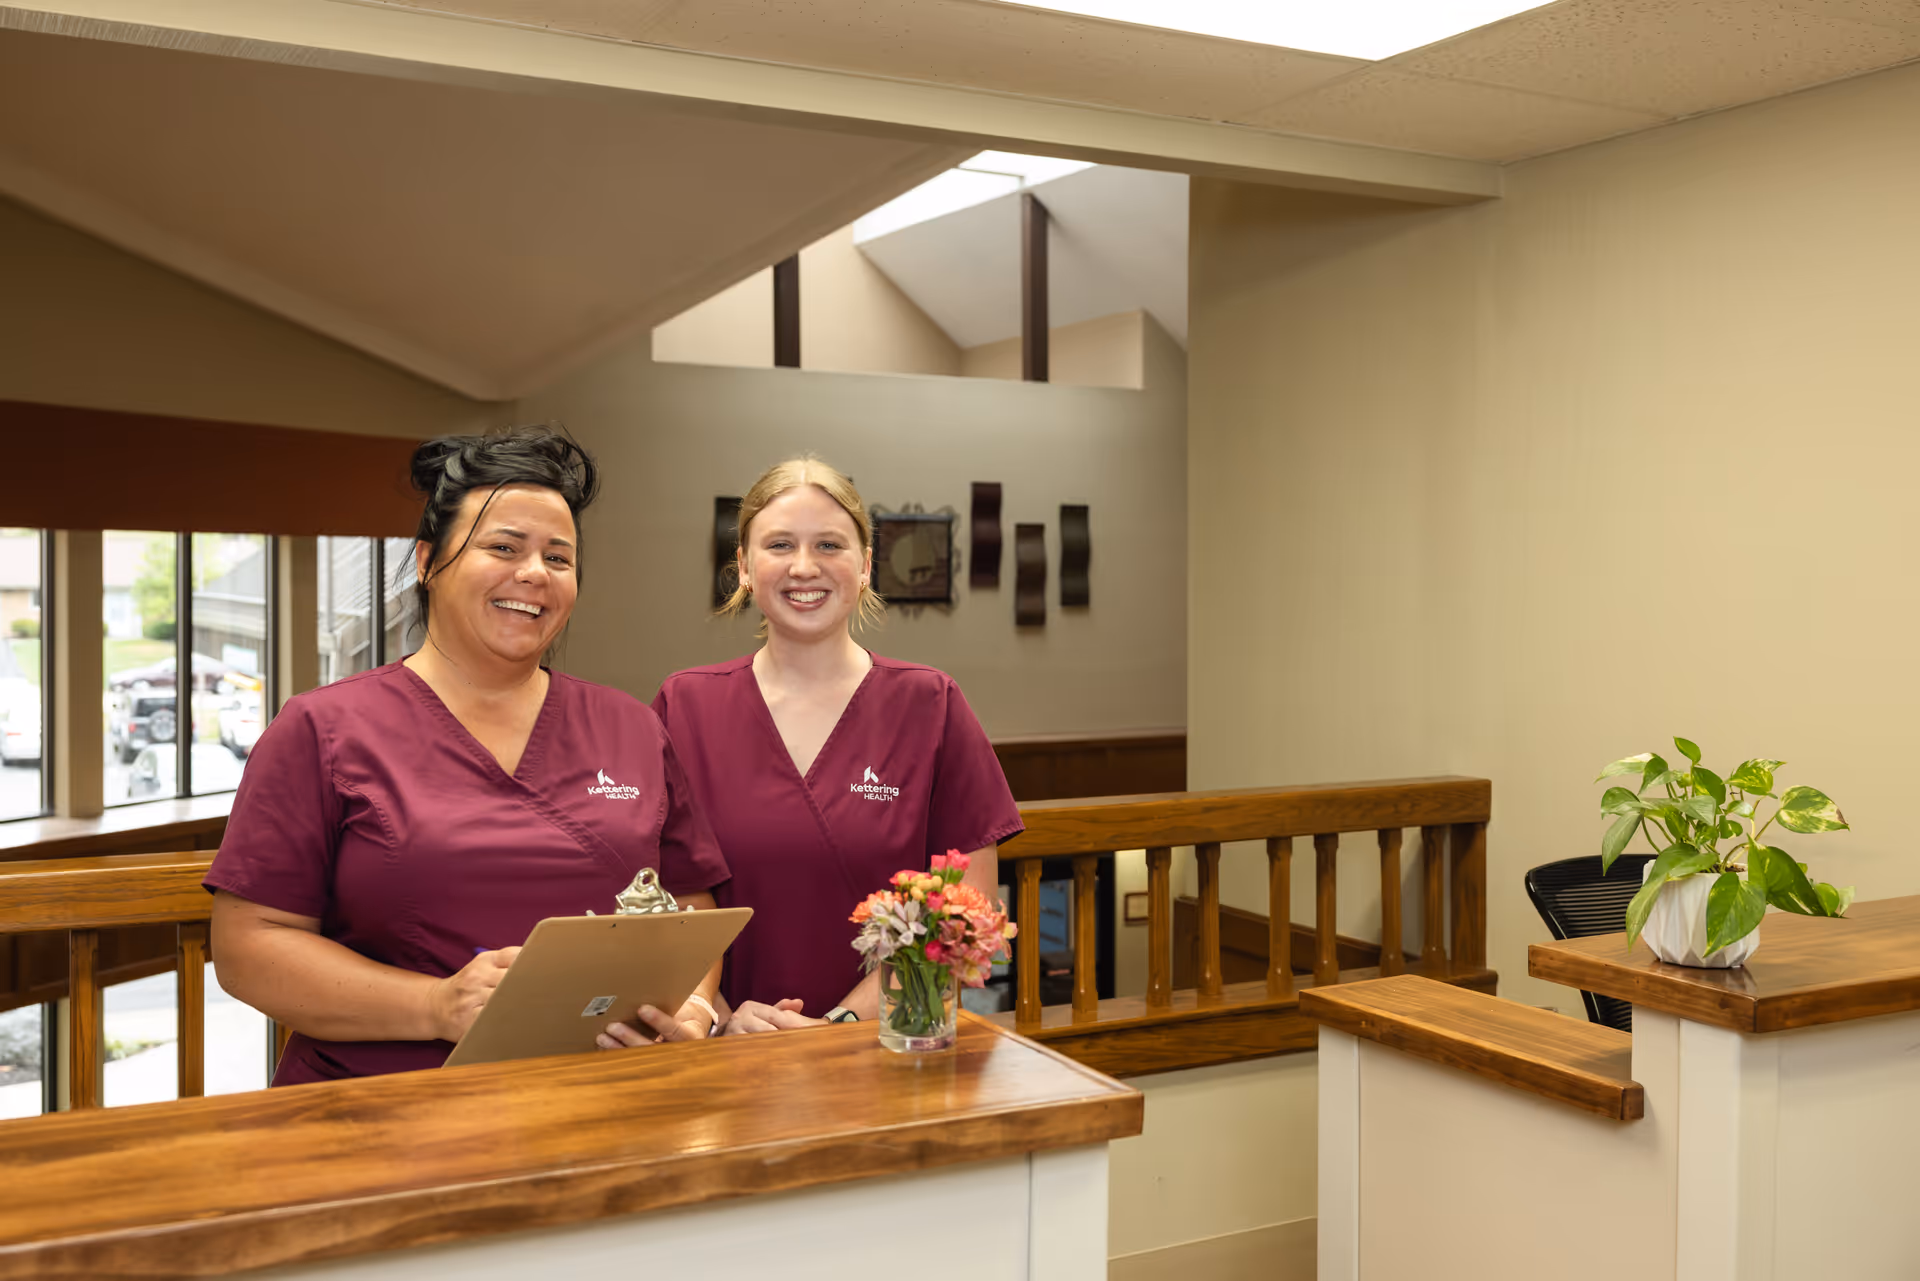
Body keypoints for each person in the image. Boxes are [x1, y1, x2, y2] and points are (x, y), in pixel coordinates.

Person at [206, 427, 730, 1084]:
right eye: (503, 547)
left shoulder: (629, 726)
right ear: (427, 561)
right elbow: (247, 947)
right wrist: (436, 1005)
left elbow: (688, 896)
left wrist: (695, 1006)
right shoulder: (323, 729)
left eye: (559, 558)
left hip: (597, 1100)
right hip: (380, 1114)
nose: (534, 573)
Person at [650, 458, 1022, 1036]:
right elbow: (659, 901)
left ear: (866, 565)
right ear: (744, 567)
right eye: (779, 545)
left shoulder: (930, 703)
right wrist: (719, 1018)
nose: (804, 567)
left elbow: (966, 918)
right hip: (725, 1057)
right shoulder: (685, 706)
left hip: (886, 1052)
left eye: (829, 544)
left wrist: (839, 1025)